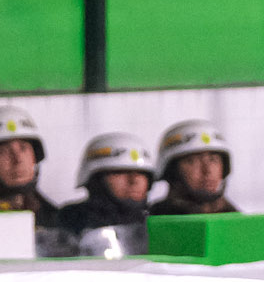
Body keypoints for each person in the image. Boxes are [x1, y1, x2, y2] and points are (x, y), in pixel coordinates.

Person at [55, 131, 154, 257]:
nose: (134, 181)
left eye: (141, 173)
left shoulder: (157, 220)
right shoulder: (70, 220)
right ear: (96, 180)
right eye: (120, 172)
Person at [0, 104, 59, 252]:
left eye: (23, 148)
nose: (18, 160)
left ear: (35, 157)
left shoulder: (55, 217)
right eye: (5, 151)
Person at [150, 118, 237, 216]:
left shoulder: (239, 223)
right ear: (172, 172)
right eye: (193, 161)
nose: (207, 170)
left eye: (213, 160)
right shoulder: (149, 224)